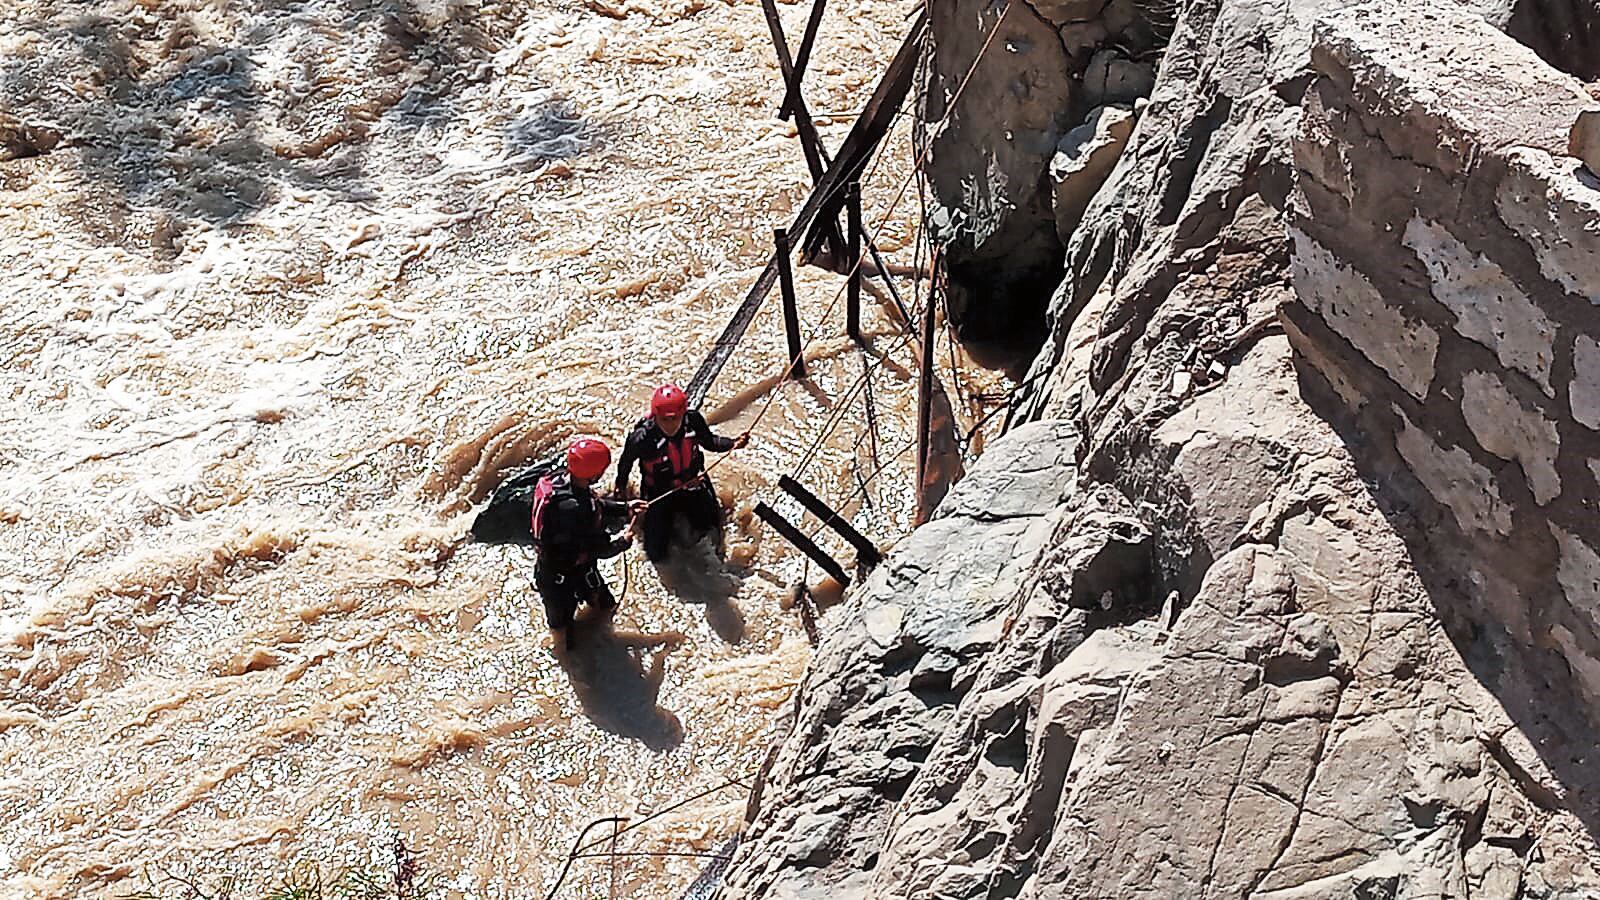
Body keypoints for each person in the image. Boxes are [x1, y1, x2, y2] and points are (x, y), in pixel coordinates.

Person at [615, 384, 749, 562]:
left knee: (712, 527)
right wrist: (620, 486)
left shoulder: (692, 420)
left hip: (692, 483)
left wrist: (732, 443)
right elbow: (625, 463)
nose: (670, 425)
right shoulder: (641, 439)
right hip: (659, 492)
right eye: (665, 420)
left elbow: (710, 442)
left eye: (675, 419)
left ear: (683, 414)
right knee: (656, 552)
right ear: (656, 416)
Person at [533, 437, 644, 652]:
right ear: (593, 474)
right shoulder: (575, 509)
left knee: (605, 605)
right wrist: (623, 542)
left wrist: (625, 508)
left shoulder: (562, 482)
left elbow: (596, 505)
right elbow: (600, 549)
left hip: (573, 568)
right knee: (564, 633)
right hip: (559, 580)